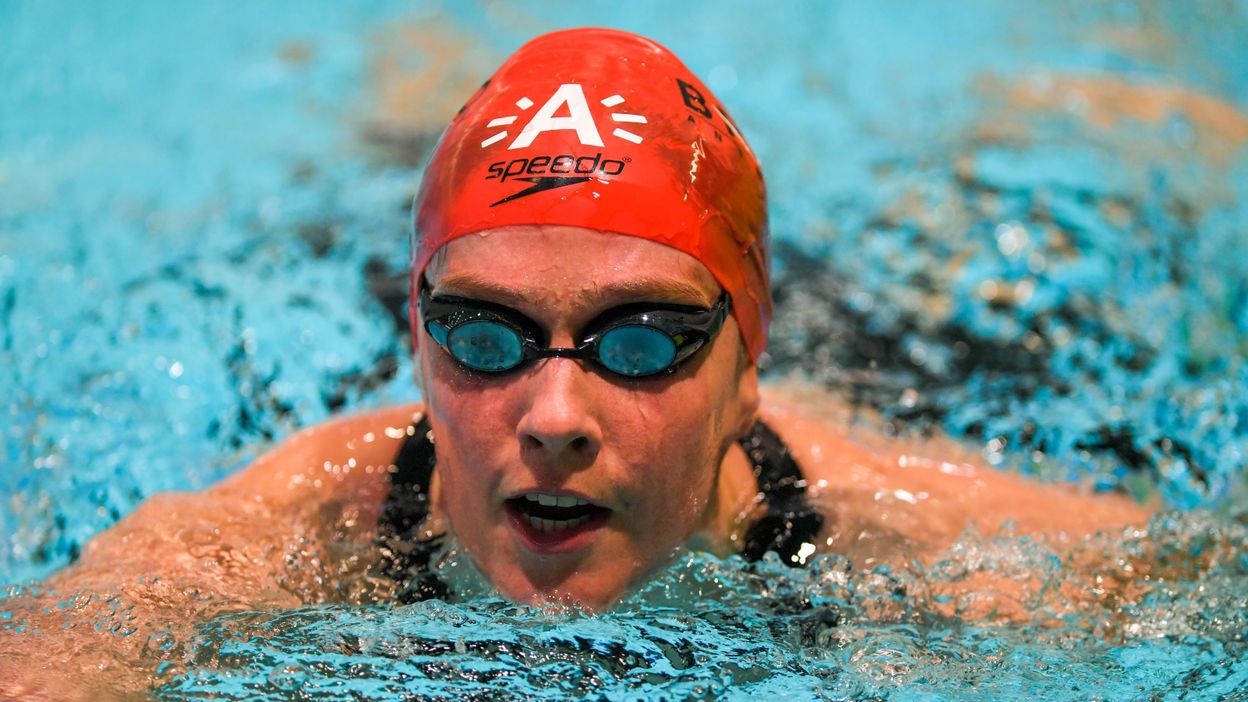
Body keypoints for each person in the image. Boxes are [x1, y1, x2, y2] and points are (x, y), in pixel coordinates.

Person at [1, 27, 1150, 697]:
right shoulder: (293, 527)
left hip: (899, 343)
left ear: (746, 368)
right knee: (381, 147)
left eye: (640, 344)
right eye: (485, 336)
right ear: (420, 338)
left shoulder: (928, 538)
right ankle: (410, 77)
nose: (553, 413)